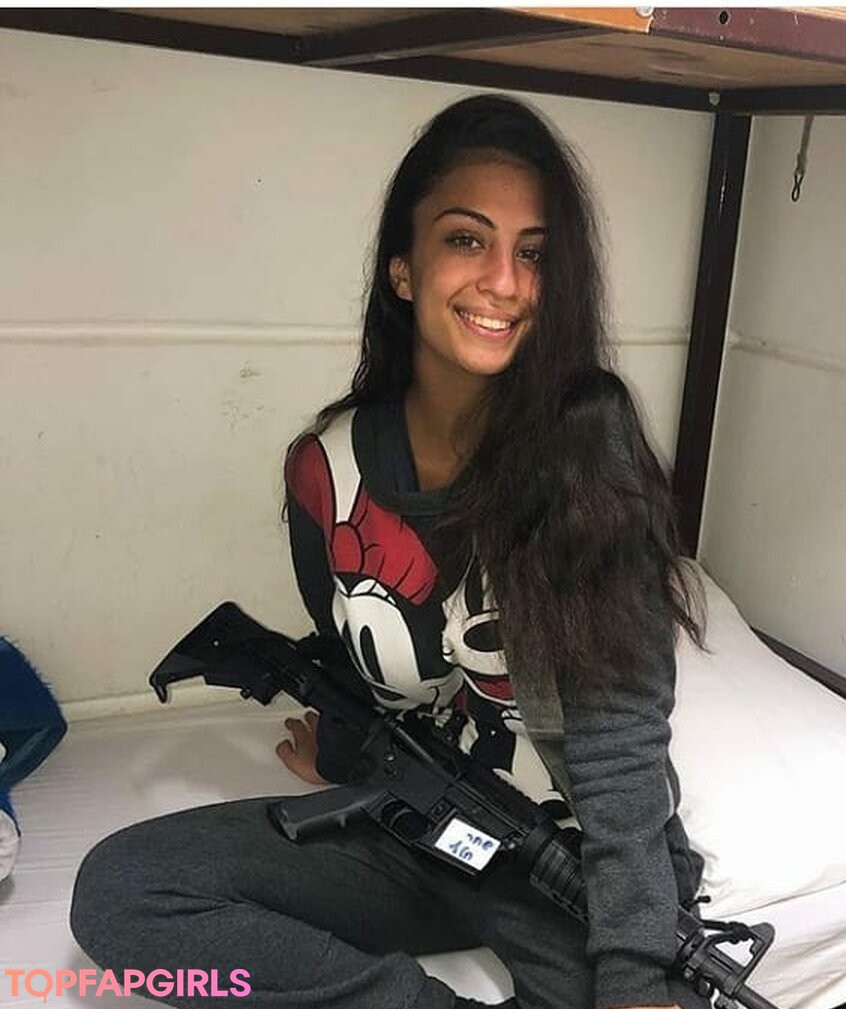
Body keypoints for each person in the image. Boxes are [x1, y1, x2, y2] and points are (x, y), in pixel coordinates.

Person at [70, 93, 707, 1009]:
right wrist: (344, 756)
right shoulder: (327, 470)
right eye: (467, 239)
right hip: (413, 826)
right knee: (126, 891)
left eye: (534, 253)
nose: (505, 281)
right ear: (403, 270)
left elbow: (618, 742)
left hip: (563, 861)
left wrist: (639, 971)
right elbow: (358, 660)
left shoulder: (587, 450)